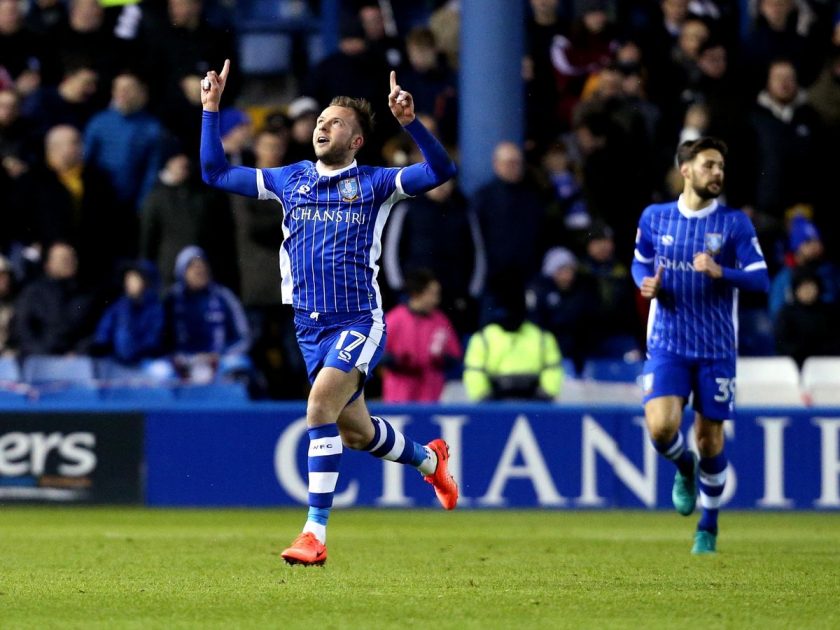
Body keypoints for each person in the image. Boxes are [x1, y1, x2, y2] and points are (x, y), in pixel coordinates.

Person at [199, 60, 458, 566]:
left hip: (359, 320)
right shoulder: (288, 179)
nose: (323, 125)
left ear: (357, 140)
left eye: (335, 121)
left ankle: (314, 534)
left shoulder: (376, 182)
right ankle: (431, 459)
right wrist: (211, 110)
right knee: (356, 432)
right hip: (309, 328)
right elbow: (214, 172)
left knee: (318, 408)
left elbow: (441, 172)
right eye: (320, 119)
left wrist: (411, 123)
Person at [632, 137, 770, 555]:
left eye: (721, 167)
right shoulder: (655, 217)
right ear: (686, 169)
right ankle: (682, 465)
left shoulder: (734, 224)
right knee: (660, 428)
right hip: (667, 342)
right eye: (710, 165)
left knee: (710, 439)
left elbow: (760, 279)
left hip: (715, 348)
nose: (718, 173)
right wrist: (645, 282)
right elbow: (640, 259)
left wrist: (721, 271)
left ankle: (708, 526)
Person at [381, 269, 462, 403]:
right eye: (432, 294)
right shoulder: (394, 319)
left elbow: (455, 356)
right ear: (417, 293)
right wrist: (397, 361)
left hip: (431, 396)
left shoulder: (441, 321)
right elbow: (376, 355)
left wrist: (442, 359)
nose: (436, 300)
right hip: (399, 396)